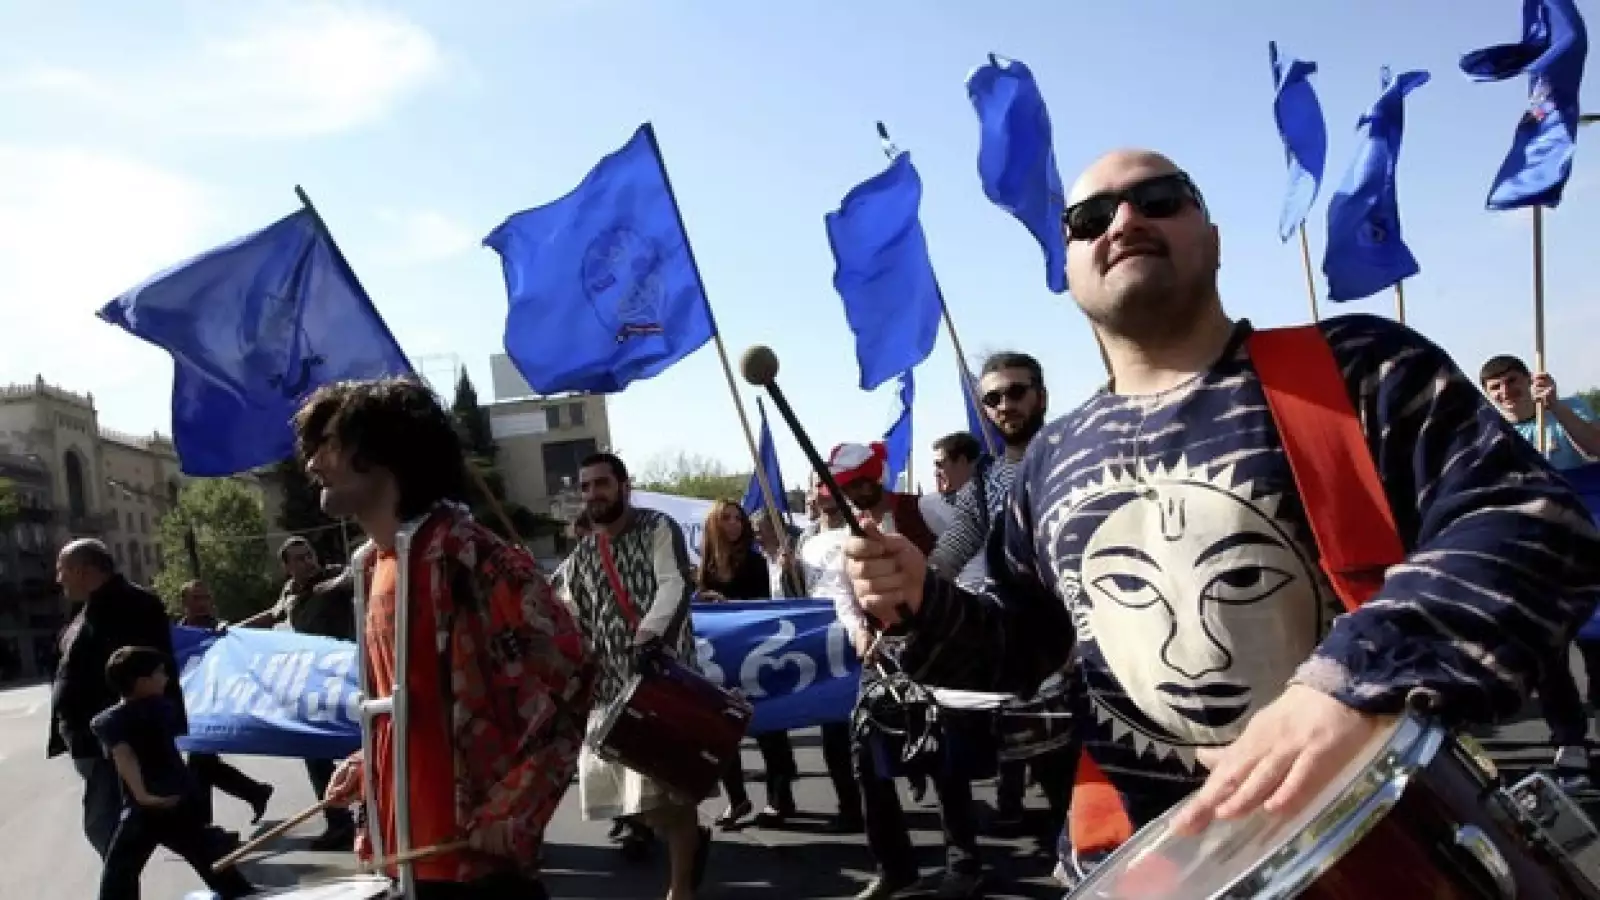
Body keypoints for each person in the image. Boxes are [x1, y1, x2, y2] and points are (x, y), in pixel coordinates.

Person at [843, 148, 1600, 887]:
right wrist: (921, 606)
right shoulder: (1048, 459)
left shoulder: (1361, 367)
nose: (1125, 220)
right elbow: (1021, 647)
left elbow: (1530, 521)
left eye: (1159, 199)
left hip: (1379, 843)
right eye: (1090, 218)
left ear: (1212, 238)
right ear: (1067, 269)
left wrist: (1350, 682)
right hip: (1152, 864)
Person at [299, 377, 594, 900]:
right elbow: (415, 705)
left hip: (470, 867)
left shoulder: (466, 554)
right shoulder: (373, 564)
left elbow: (572, 673)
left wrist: (515, 802)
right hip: (399, 857)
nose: (312, 462)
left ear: (381, 452)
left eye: (328, 444)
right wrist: (371, 762)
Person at [562, 451, 712, 900]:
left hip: (659, 684)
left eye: (601, 483)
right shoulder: (582, 555)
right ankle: (693, 841)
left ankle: (680, 888)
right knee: (629, 802)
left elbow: (674, 584)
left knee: (671, 793)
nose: (593, 493)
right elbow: (570, 613)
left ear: (624, 486)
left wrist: (648, 637)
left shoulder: (658, 527)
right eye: (585, 486)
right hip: (609, 692)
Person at [1481, 354, 1600, 790]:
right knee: (1547, 652)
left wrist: (1558, 408)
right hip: (1534, 550)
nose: (1505, 391)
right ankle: (1569, 741)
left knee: (1596, 642)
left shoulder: (1566, 410)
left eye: (1512, 381)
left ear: (1529, 380)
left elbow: (1595, 448)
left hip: (1585, 539)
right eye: (1495, 387)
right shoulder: (1490, 433)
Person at [49, 538, 187, 859]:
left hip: (116, 738)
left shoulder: (134, 605)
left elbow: (151, 673)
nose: (58, 579)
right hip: (91, 738)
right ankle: (212, 854)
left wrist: (129, 731)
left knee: (104, 825)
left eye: (62, 570)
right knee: (147, 823)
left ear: (84, 570)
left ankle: (209, 854)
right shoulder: (86, 607)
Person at [92, 645, 255, 900]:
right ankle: (241, 893)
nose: (165, 678)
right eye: (159, 673)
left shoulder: (111, 721)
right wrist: (145, 796)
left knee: (121, 871)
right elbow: (127, 757)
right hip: (171, 800)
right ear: (142, 682)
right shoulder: (162, 709)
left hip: (147, 805)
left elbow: (125, 757)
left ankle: (238, 890)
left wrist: (143, 796)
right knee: (205, 856)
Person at [233, 535, 360, 849]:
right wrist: (232, 631)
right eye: (299, 559)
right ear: (287, 567)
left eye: (309, 555)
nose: (308, 562)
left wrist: (331, 586)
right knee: (315, 752)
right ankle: (339, 823)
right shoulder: (290, 591)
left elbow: (355, 575)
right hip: (313, 683)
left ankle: (375, 816)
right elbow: (273, 615)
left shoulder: (333, 576)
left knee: (361, 746)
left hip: (346, 677)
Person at [698, 499, 798, 828]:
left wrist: (728, 604)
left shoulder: (754, 563)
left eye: (737, 518)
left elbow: (760, 608)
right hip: (722, 658)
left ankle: (780, 799)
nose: (734, 524)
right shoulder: (707, 566)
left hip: (757, 653)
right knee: (722, 729)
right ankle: (737, 798)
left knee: (770, 728)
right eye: (726, 518)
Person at [176, 580, 274, 825]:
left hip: (214, 706)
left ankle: (205, 829)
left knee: (199, 763)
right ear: (184, 603)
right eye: (195, 598)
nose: (202, 604)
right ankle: (254, 792)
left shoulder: (221, 631)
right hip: (188, 706)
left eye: (205, 598)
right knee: (205, 764)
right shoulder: (178, 635)